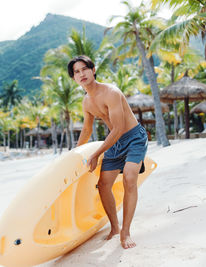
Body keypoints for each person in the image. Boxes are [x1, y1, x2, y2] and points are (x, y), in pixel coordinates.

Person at [67, 55, 148, 249]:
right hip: (114, 143)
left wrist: (95, 154)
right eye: (76, 72)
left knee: (129, 178)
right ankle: (114, 227)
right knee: (103, 186)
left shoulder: (110, 92)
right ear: (74, 79)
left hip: (133, 137)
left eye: (84, 69)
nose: (81, 74)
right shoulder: (86, 102)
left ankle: (126, 232)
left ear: (93, 70)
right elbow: (86, 130)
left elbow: (119, 128)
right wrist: (75, 154)